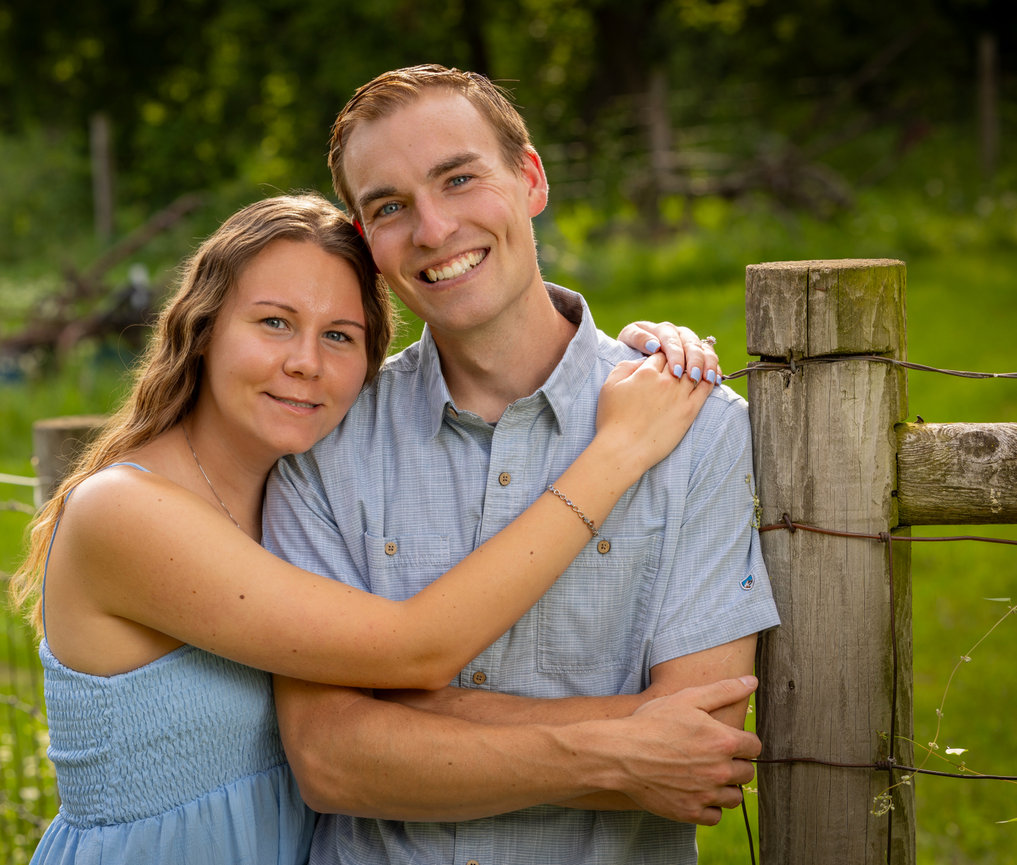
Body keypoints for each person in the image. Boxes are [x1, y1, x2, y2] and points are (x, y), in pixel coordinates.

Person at [10, 192, 725, 865]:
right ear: (201, 329)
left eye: (340, 336)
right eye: (273, 322)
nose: (305, 362)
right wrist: (617, 451)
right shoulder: (126, 512)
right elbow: (419, 650)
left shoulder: (299, 495)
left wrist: (632, 357)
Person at [262, 65, 781, 864]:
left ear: (530, 178)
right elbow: (330, 759)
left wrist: (406, 716)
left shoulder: (697, 427)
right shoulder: (324, 444)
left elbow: (700, 748)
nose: (433, 229)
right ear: (366, 241)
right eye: (390, 207)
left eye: (458, 178)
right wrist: (620, 744)